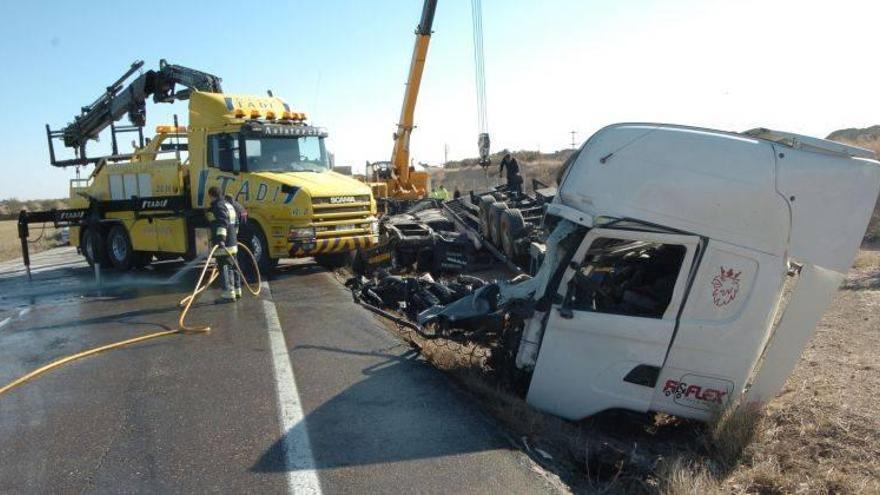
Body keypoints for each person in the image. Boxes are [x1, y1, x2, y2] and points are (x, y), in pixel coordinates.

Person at [208, 186, 239, 304]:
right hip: (232, 242)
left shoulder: (218, 206)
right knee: (234, 267)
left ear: (212, 195)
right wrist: (234, 237)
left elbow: (222, 222)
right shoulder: (229, 205)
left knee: (224, 267)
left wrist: (221, 239)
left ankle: (228, 294)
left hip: (224, 244)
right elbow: (236, 222)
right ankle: (237, 290)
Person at [225, 194, 248, 299]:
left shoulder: (231, 208)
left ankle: (233, 287)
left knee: (234, 262)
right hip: (243, 233)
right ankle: (238, 287)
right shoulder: (239, 206)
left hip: (237, 236)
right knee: (237, 260)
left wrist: (234, 237)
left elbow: (233, 223)